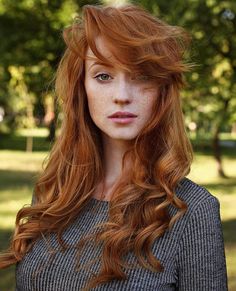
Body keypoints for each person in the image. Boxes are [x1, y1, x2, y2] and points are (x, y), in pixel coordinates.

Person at [0, 3, 228, 291]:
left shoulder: (192, 211)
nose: (122, 96)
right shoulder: (53, 194)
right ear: (81, 87)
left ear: (163, 91)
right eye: (103, 76)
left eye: (141, 75)